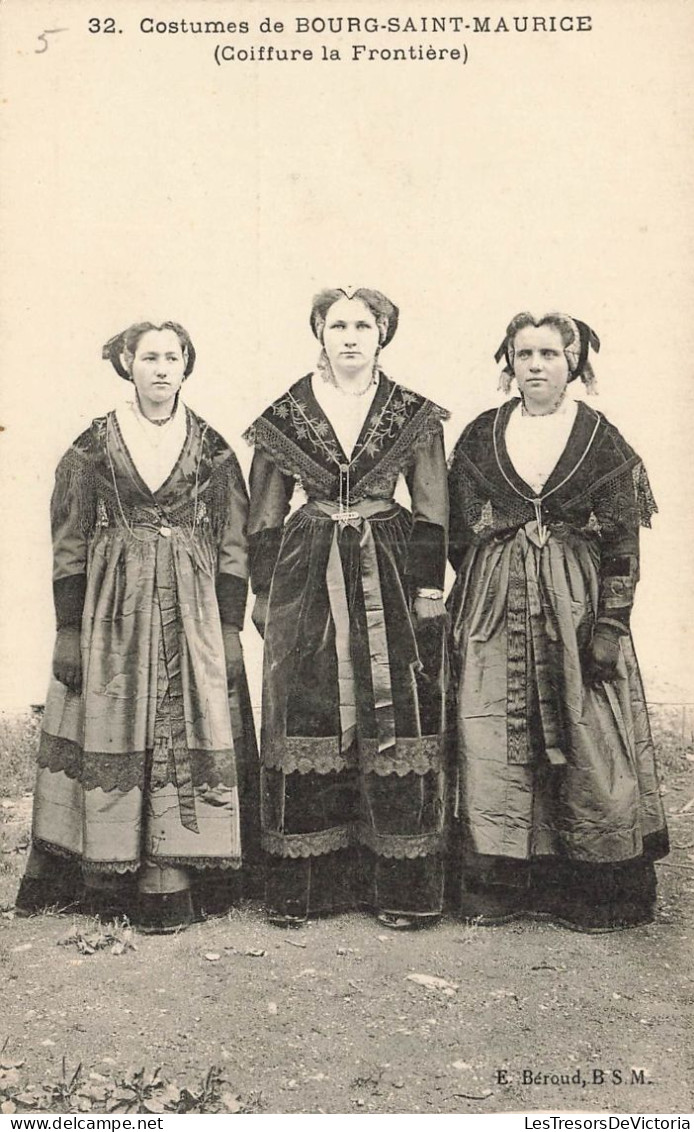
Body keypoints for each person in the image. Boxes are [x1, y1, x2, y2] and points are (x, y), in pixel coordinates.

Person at [15, 321, 258, 932]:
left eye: (172, 358)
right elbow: (68, 539)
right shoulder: (92, 446)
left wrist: (229, 629)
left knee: (187, 717)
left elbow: (233, 542)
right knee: (114, 719)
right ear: (127, 363)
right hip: (114, 609)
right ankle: (107, 869)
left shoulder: (214, 447)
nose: (160, 369)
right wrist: (67, 629)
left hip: (191, 608)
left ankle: (178, 871)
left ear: (186, 365)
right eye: (148, 357)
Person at [447, 312, 668, 932]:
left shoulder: (601, 439)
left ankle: (590, 889)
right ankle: (501, 882)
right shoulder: (480, 435)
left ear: (574, 362)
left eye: (549, 353)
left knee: (586, 732)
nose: (536, 365)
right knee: (494, 734)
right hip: (494, 606)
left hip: (577, 608)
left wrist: (611, 623)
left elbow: (624, 542)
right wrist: (493, 582)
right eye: (524, 354)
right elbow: (461, 533)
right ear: (509, 363)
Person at [245, 287, 449, 928]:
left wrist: (426, 589)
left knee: (395, 707)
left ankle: (401, 886)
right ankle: (309, 888)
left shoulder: (412, 414)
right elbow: (264, 512)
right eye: (339, 325)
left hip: (386, 563)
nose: (352, 336)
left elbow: (433, 506)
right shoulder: (287, 414)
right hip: (307, 571)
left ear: (383, 333)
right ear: (319, 332)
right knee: (309, 703)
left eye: (365, 324)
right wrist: (261, 590)